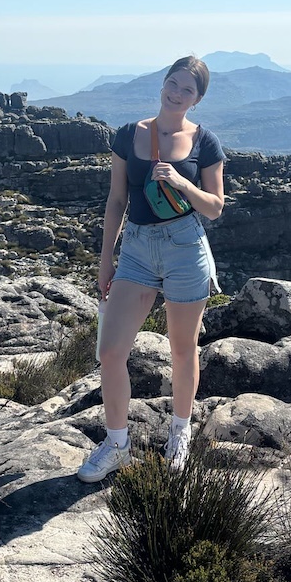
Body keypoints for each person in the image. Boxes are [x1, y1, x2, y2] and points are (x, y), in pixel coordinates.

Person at [76, 55, 226, 483]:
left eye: (188, 90)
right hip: (138, 250)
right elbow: (117, 201)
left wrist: (181, 182)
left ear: (197, 100)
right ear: (162, 82)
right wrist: (107, 259)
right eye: (173, 83)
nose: (177, 94)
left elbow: (214, 208)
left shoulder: (205, 143)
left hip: (185, 247)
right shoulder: (129, 135)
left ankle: (180, 433)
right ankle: (117, 443)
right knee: (110, 351)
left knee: (182, 349)